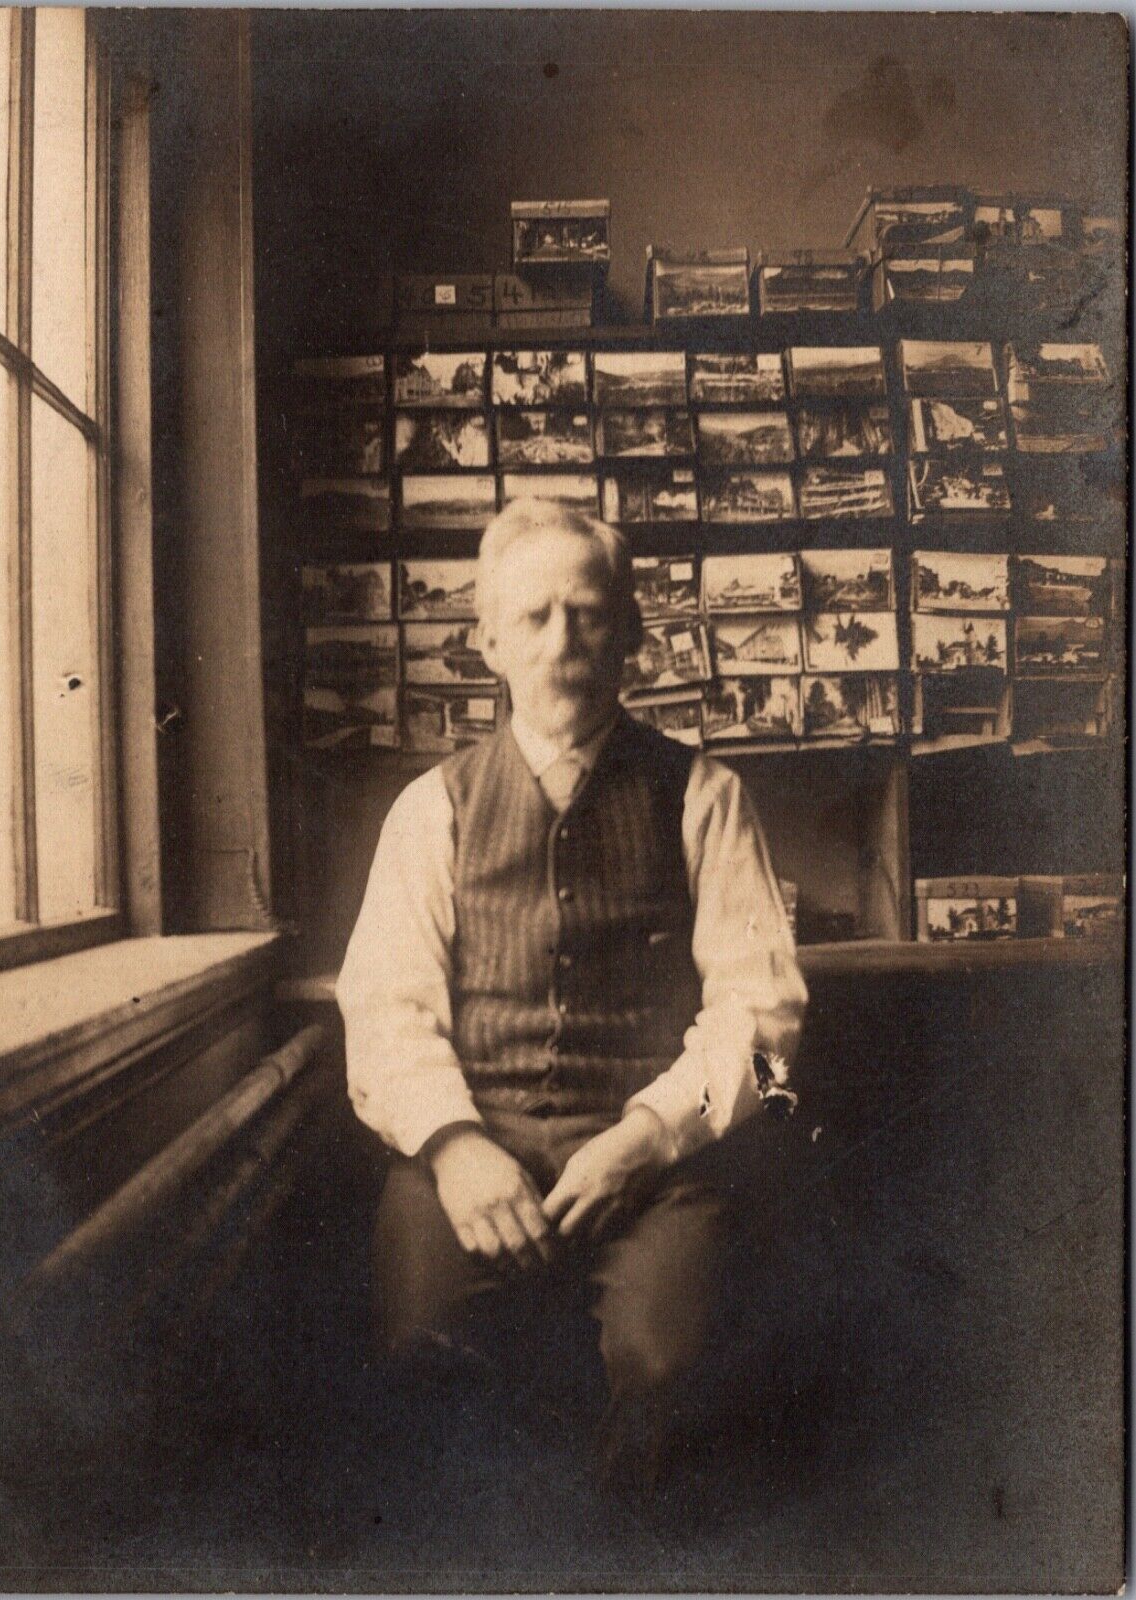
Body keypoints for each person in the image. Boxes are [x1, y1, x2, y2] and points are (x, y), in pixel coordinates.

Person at [336, 497, 809, 1490]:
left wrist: (646, 1135)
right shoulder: (431, 810)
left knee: (672, 1368)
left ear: (632, 633)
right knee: (416, 1362)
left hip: (659, 1159)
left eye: (590, 613)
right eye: (536, 617)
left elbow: (765, 1026)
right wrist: (456, 1148)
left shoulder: (706, 796)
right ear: (489, 644)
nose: (564, 640)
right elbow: (384, 1010)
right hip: (465, 1147)